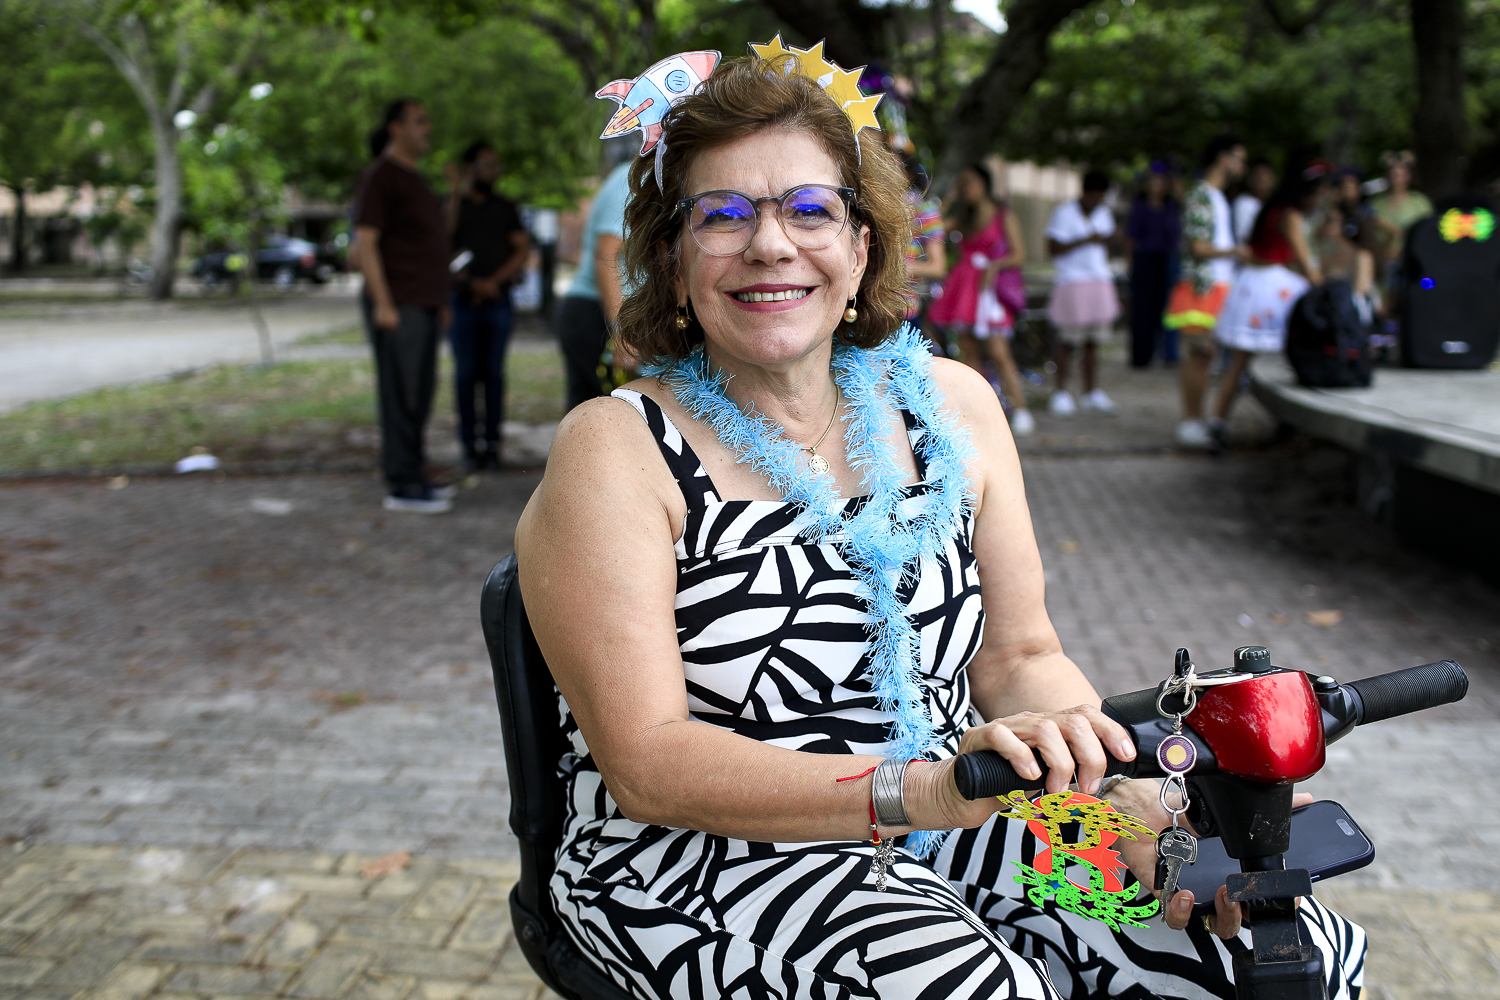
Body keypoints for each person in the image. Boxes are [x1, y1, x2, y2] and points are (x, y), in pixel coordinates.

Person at [513, 51, 1365, 1000]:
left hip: (976, 808)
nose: (770, 245)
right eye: (721, 215)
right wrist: (916, 788)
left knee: (1282, 949)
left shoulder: (952, 403)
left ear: (862, 246)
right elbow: (648, 763)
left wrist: (1132, 801)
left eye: (809, 209)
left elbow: (1020, 656)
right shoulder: (616, 450)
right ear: (673, 264)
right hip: (705, 855)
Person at [354, 99, 456, 513]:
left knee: (420, 392)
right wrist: (383, 303)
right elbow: (365, 243)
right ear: (396, 129)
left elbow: (435, 239)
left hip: (423, 304)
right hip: (399, 305)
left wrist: (439, 301)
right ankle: (402, 484)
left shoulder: (414, 179)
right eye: (419, 122)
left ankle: (416, 470)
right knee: (402, 394)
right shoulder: (382, 177)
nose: (427, 129)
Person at [1211, 169, 1325, 429]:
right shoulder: (1290, 215)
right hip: (1272, 290)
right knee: (1284, 361)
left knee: (1238, 363)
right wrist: (1324, 290)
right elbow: (1304, 260)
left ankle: (1218, 422)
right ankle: (1286, 425)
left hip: (1250, 285)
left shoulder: (1269, 210)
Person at [928, 163, 1035, 435]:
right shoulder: (963, 217)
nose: (967, 189)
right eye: (963, 184)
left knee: (999, 352)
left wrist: (995, 266)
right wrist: (951, 198)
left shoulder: (1002, 214)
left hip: (989, 291)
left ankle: (1021, 410)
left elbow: (1019, 253)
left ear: (985, 185)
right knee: (969, 355)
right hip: (964, 288)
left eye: (970, 183)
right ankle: (976, 414)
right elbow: (932, 227)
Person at [445, 140, 531, 471]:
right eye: (485, 165)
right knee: (466, 374)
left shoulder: (505, 207)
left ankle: (493, 445)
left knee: (493, 374)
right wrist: (454, 193)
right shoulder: (454, 204)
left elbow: (521, 249)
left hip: (497, 300)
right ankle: (469, 447)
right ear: (470, 169)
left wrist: (493, 281)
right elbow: (443, 238)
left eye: (495, 166)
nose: (491, 172)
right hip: (463, 300)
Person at [1166, 135, 1245, 449]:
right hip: (1202, 287)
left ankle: (1197, 421)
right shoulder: (1201, 194)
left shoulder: (1216, 196)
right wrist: (1237, 252)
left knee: (1206, 357)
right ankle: (1191, 421)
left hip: (1216, 286)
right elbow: (1198, 247)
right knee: (1199, 356)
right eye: (1239, 158)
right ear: (1223, 158)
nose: (1242, 166)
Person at [556, 136, 634, 413]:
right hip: (595, 314)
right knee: (597, 420)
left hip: (608, 315)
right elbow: (606, 254)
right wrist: (622, 332)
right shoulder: (633, 177)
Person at [1045, 170, 1119, 415]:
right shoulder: (1064, 213)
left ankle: (1091, 392)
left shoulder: (1104, 213)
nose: (1095, 200)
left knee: (1093, 341)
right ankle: (1061, 392)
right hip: (1071, 281)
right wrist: (1086, 239)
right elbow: (1053, 247)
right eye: (1093, 195)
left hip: (1099, 279)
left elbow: (1109, 242)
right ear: (1084, 192)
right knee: (1067, 340)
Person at [1124, 162, 1180, 368]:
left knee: (1165, 310)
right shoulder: (1140, 208)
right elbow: (1131, 239)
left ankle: (1166, 354)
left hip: (1165, 261)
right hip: (1145, 260)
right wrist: (1129, 263)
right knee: (1142, 310)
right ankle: (1141, 356)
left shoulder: (1171, 207)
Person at [899, 154, 948, 355]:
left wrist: (897, 268)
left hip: (903, 309)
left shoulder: (923, 209)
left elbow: (938, 267)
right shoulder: (868, 205)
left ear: (908, 174)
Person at [1368, 151, 1433, 284]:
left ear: (1408, 176)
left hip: (1411, 261)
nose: (1395, 177)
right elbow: (1367, 235)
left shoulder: (1420, 202)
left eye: (1399, 174)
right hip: (1381, 261)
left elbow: (1427, 233)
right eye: (1392, 173)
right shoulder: (1375, 203)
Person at [1233, 158, 1276, 245]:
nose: (1264, 181)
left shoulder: (1270, 205)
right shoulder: (1244, 203)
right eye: (1260, 178)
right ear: (1250, 180)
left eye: (1268, 178)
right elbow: (1244, 238)